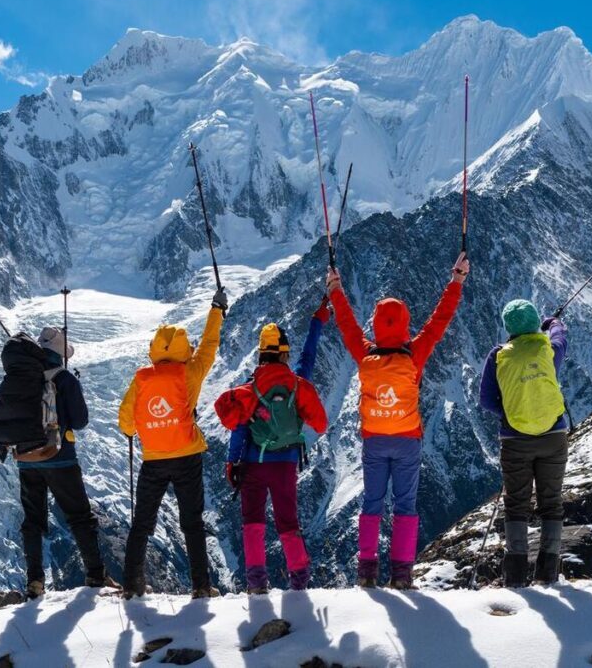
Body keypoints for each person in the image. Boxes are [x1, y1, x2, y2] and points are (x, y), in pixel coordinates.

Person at [326, 252, 470, 589]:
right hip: (407, 440)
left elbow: (345, 322)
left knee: (371, 502)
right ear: (405, 324)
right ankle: (402, 574)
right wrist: (457, 281)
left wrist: (335, 287)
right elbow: (439, 321)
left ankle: (366, 571)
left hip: (375, 439)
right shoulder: (414, 355)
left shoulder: (365, 355)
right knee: (405, 504)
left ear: (375, 324)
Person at [214, 300, 332, 594]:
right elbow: (320, 421)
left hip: (254, 464)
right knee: (288, 522)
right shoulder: (297, 384)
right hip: (286, 465)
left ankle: (256, 584)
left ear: (261, 352)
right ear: (283, 352)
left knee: (252, 522)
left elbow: (239, 429)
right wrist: (317, 322)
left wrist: (233, 463)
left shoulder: (250, 388)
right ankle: (299, 580)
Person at [118, 288, 228, 599]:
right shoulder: (189, 373)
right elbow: (209, 345)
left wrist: (140, 429)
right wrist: (216, 310)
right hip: (187, 458)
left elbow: (125, 420)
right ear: (183, 349)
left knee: (142, 523)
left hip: (153, 460)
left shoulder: (141, 379)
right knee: (191, 524)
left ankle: (131, 586)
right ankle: (201, 587)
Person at [478, 299, 569, 587]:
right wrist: (551, 322)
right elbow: (560, 336)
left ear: (508, 328)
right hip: (554, 435)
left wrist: (508, 412)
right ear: (533, 325)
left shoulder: (498, 356)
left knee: (516, 505)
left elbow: (485, 400)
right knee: (551, 503)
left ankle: (515, 575)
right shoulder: (547, 350)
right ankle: (548, 572)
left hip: (515, 439)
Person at [17, 327, 112, 599]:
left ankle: (34, 581)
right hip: (59, 458)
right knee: (80, 516)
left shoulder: (24, 376)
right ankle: (96, 575)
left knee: (33, 521)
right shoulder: (65, 378)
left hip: (26, 459)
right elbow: (80, 421)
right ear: (61, 354)